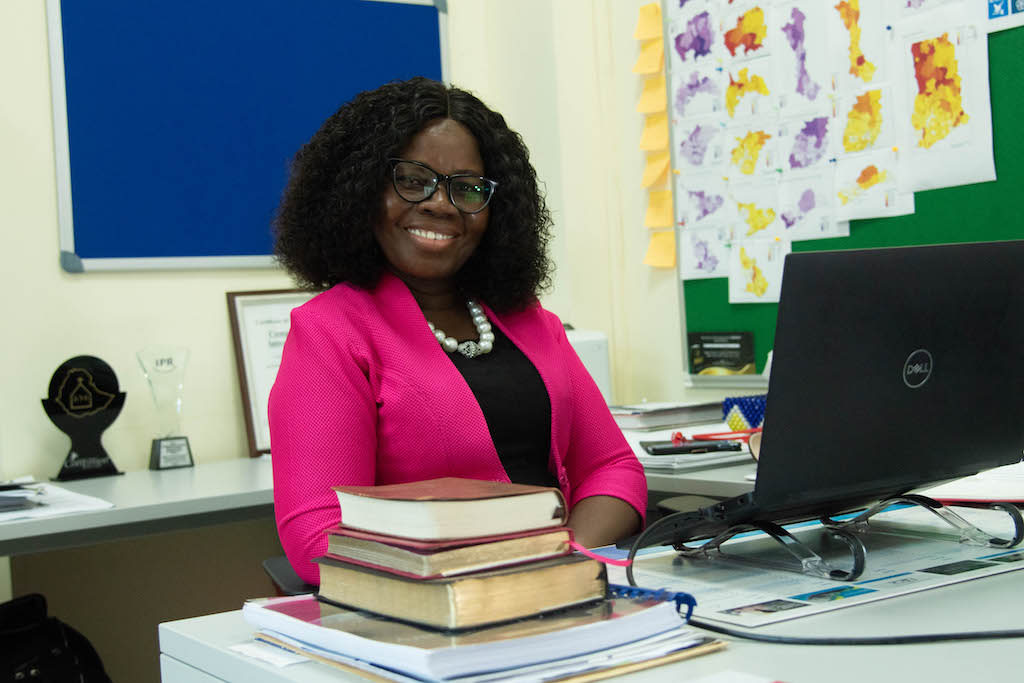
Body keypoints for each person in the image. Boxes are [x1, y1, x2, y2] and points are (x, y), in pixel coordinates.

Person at [269, 77, 646, 585]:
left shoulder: (530, 321)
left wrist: (567, 560)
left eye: (467, 188)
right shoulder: (330, 332)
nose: (441, 205)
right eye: (413, 179)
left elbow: (613, 467)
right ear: (360, 190)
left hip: (564, 591)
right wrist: (508, 574)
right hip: (435, 616)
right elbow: (318, 536)